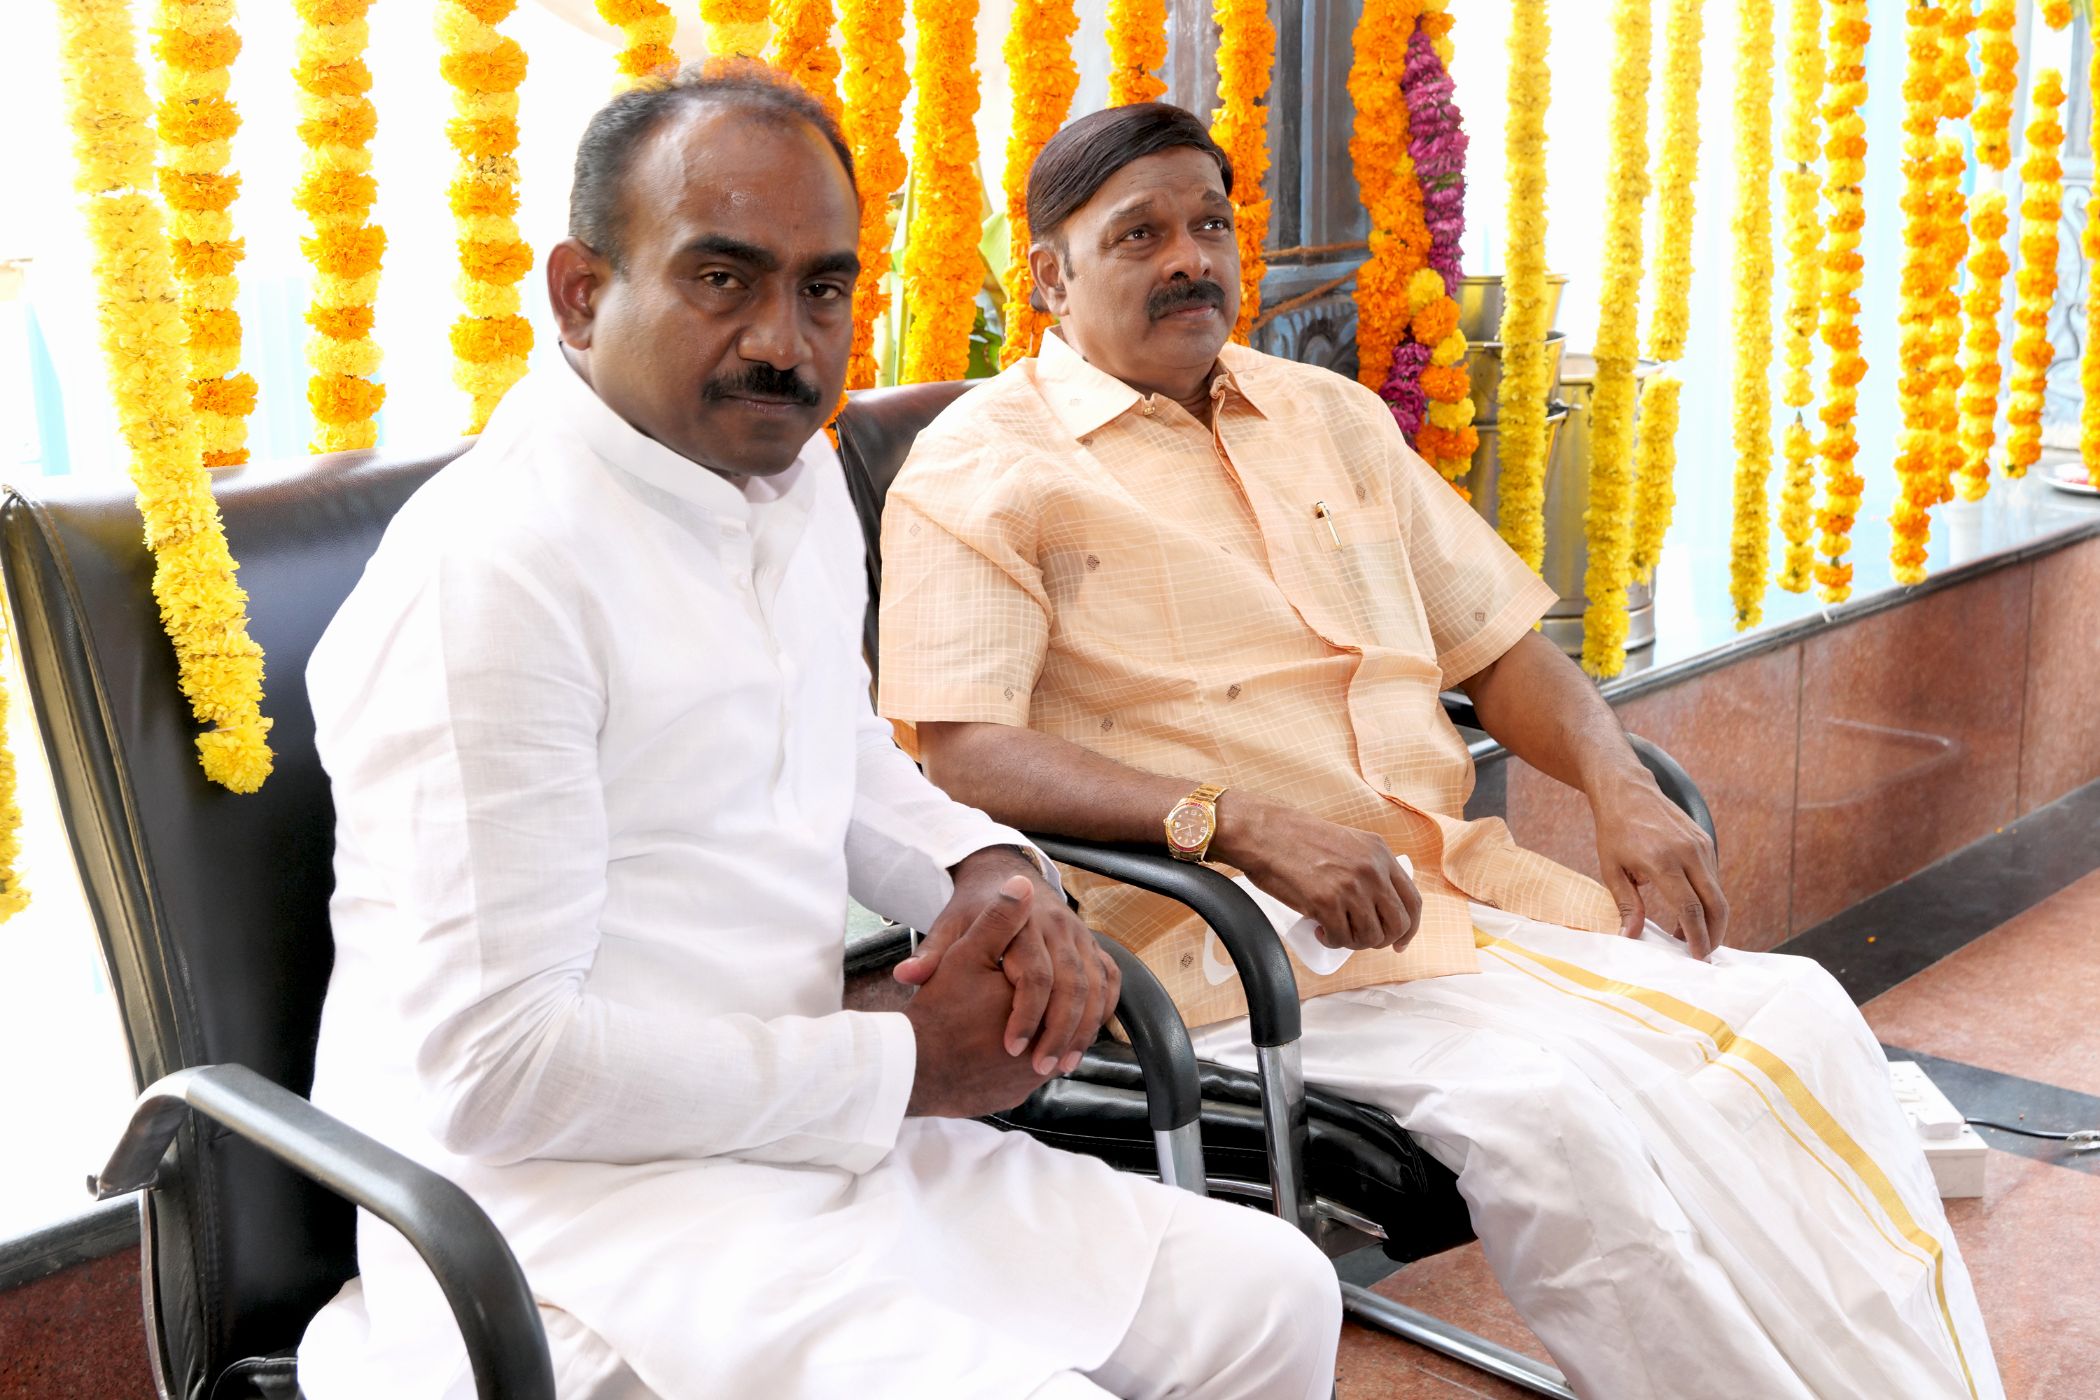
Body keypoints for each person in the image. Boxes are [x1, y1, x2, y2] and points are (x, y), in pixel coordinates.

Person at [877, 102, 2003, 1400]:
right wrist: (1236, 821)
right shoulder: (981, 470)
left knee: (1794, 1018)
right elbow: (964, 751)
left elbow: (1501, 647)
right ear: (1048, 275)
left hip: (1452, 893)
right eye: (1139, 235)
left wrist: (1621, 786)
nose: (1190, 258)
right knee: (1564, 1118)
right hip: (1237, 954)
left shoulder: (1328, 416)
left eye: (1210, 224)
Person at [296, 71, 1340, 1400]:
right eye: (721, 279)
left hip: (802, 1142)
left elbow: (836, 755)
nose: (784, 343)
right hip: (565, 1225)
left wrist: (992, 875)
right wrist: (904, 1059)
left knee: (1273, 1296)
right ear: (580, 292)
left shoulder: (780, 484)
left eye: (823, 289)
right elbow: (499, 1074)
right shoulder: (495, 575)